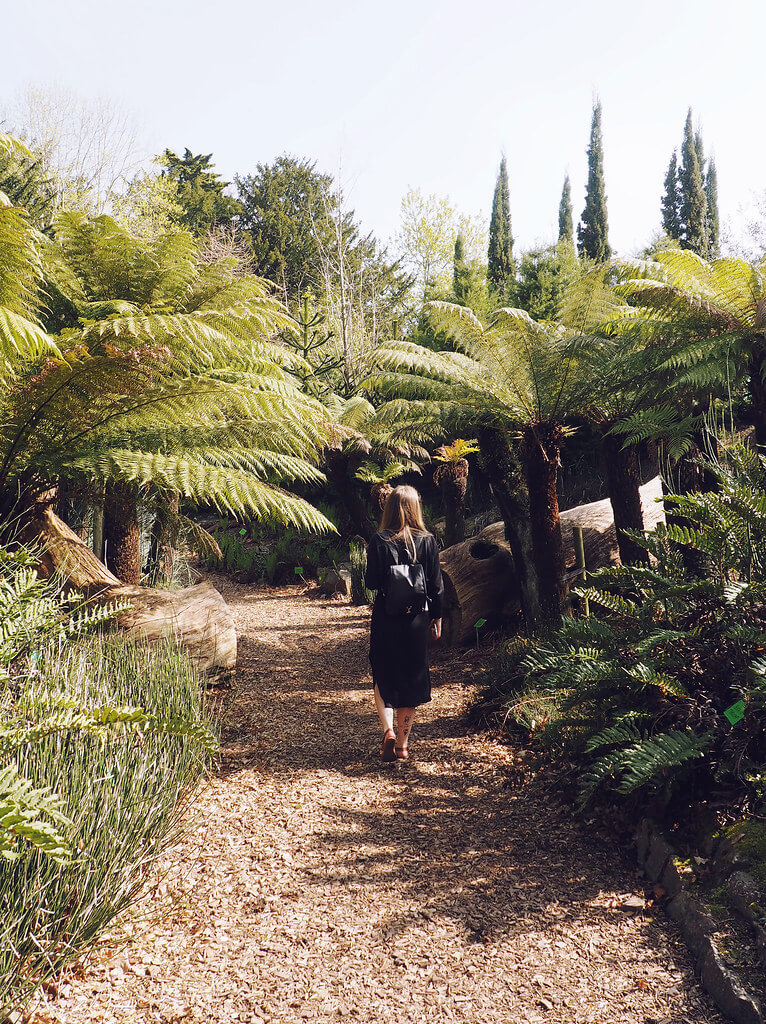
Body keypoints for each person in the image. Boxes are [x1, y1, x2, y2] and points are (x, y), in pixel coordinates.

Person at [364, 485, 443, 761]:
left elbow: (371, 582)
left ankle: (388, 732)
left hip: (387, 617)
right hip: (417, 620)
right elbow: (436, 587)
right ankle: (403, 746)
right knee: (412, 675)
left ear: (389, 508)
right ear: (416, 508)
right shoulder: (428, 541)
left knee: (383, 673)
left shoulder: (379, 540)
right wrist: (438, 617)